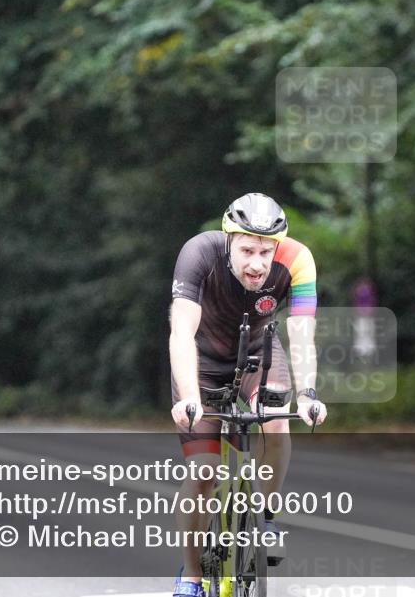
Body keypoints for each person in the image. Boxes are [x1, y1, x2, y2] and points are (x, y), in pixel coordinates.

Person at [169, 192, 327, 597]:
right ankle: (191, 575)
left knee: (276, 424)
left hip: (258, 352)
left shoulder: (298, 259)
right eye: (247, 250)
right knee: (203, 471)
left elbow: (302, 332)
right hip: (202, 360)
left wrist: (308, 394)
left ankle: (264, 514)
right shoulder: (198, 254)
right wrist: (188, 396)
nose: (258, 263)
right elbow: (182, 331)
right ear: (228, 241)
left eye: (266, 251)